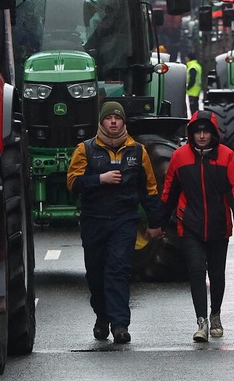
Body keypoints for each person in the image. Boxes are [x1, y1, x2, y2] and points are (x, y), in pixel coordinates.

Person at [67, 101, 164, 344]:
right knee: (96, 274)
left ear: (123, 122)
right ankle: (102, 317)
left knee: (118, 270)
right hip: (94, 221)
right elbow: (73, 183)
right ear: (101, 123)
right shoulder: (85, 149)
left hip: (124, 221)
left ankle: (120, 325)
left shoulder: (138, 151)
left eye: (117, 118)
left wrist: (155, 222)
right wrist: (100, 178)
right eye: (108, 118)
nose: (113, 122)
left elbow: (150, 189)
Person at [151, 110, 234, 342]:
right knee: (196, 271)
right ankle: (201, 321)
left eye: (206, 131)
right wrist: (159, 223)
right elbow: (169, 193)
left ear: (212, 133)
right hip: (191, 226)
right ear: (191, 134)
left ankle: (215, 314)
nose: (202, 136)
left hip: (218, 225)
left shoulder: (226, 156)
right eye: (198, 131)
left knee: (217, 274)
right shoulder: (179, 157)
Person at [185, 52, 202, 116]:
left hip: (193, 90)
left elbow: (192, 79)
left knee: (193, 108)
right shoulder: (197, 65)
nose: (185, 59)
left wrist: (188, 87)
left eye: (186, 57)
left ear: (189, 58)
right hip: (196, 89)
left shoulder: (192, 67)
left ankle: (194, 120)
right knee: (195, 107)